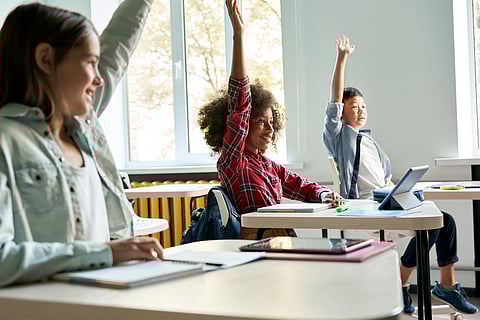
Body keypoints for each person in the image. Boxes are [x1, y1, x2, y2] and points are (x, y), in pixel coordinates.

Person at [0, 0, 163, 287]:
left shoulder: (84, 129)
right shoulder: (6, 139)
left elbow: (118, 49)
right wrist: (103, 253)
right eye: (90, 63)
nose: (99, 79)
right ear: (46, 60)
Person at [322, 35, 478, 314]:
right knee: (432, 223)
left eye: (364, 106)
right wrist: (342, 58)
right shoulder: (339, 137)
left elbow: (385, 180)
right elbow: (333, 102)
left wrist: (402, 191)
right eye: (354, 106)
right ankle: (406, 284)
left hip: (386, 201)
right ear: (342, 112)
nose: (360, 111)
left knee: (444, 221)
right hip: (366, 207)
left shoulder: (370, 142)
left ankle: (444, 285)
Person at [198, 0, 341, 240]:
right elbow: (240, 103)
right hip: (259, 244)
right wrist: (238, 36)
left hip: (282, 239)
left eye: (272, 123)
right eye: (261, 121)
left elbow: (300, 185)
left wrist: (323, 195)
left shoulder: (267, 165)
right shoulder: (234, 161)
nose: (270, 129)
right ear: (244, 126)